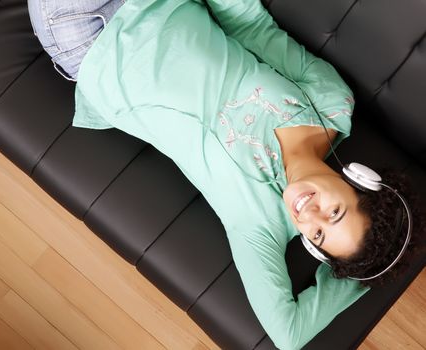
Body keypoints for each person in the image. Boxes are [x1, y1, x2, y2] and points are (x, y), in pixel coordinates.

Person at [27, 0, 424, 348]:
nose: (310, 215)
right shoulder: (331, 102)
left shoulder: (258, 226)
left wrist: (367, 272)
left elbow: (289, 335)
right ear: (359, 180)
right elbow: (249, 26)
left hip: (88, 35)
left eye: (318, 236)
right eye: (335, 213)